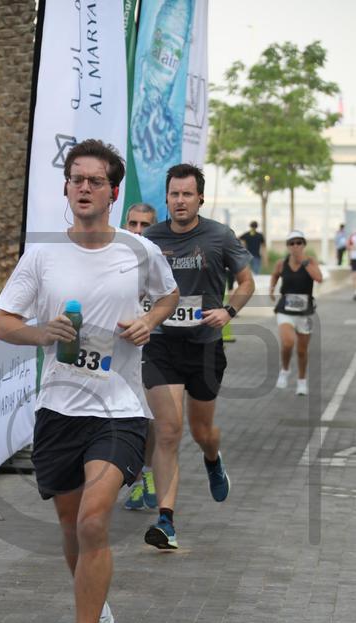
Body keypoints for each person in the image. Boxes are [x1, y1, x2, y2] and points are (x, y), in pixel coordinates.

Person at [0, 139, 178, 623]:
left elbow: (167, 297)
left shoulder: (139, 251)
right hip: (59, 409)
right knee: (72, 528)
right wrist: (40, 332)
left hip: (118, 409)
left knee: (94, 521)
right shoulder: (43, 256)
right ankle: (97, 609)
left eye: (96, 180)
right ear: (67, 187)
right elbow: (2, 322)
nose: (85, 187)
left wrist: (149, 322)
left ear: (113, 192)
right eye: (77, 179)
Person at [141, 163, 255, 550]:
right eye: (174, 194)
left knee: (201, 431)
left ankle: (212, 458)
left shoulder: (219, 236)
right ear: (167, 198)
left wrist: (228, 311)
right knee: (168, 431)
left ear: (200, 198)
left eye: (187, 194)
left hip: (205, 346)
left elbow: (246, 282)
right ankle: (166, 521)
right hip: (161, 345)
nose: (180, 201)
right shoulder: (151, 239)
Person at [122, 202, 159, 511]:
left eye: (145, 225)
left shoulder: (160, 259)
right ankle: (134, 479)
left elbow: (174, 300)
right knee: (126, 417)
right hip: (121, 350)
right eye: (133, 224)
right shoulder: (115, 258)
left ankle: (146, 472)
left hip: (156, 349)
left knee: (150, 417)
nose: (138, 231)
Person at [269, 230, 323, 395]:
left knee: (302, 350)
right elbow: (275, 275)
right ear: (288, 246)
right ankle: (285, 370)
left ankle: (302, 381)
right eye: (292, 243)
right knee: (288, 343)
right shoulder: (281, 263)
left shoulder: (310, 261)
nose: (295, 246)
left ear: (304, 244)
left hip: (305, 312)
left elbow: (319, 278)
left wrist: (304, 262)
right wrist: (272, 288)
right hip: (285, 310)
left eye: (299, 242)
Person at [348, 229, 356, 300]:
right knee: (354, 276)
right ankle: (355, 292)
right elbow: (348, 246)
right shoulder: (352, 237)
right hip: (354, 258)